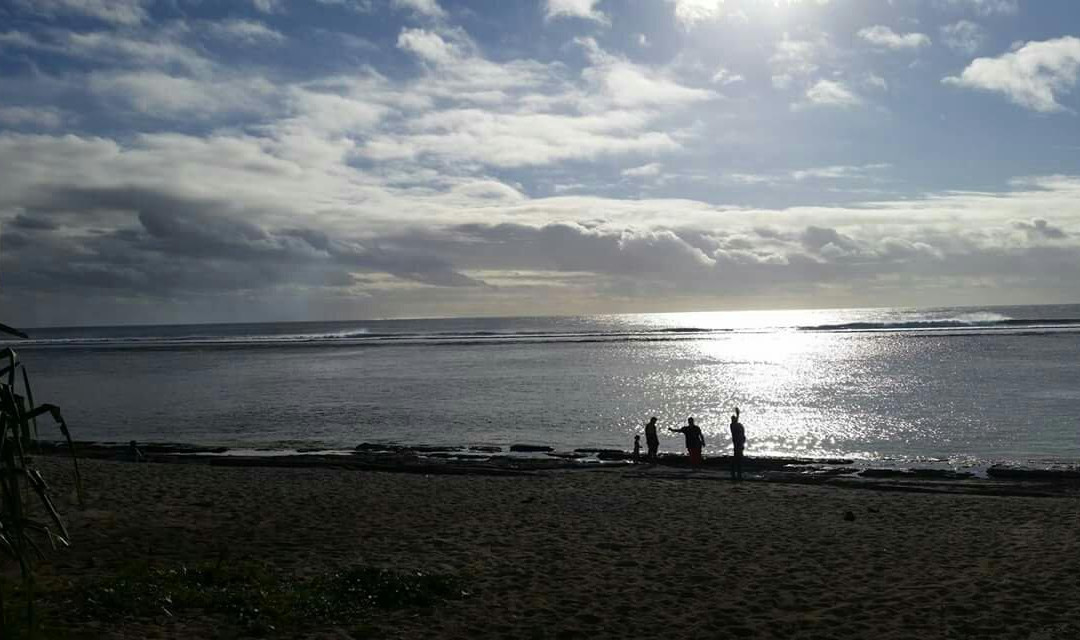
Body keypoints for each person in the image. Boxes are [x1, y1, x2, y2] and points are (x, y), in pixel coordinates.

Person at [730, 407, 746, 481]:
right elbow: (736, 422)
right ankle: (735, 473)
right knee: (737, 459)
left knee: (738, 459)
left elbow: (742, 435)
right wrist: (738, 414)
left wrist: (738, 414)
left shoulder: (737, 425)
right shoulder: (732, 426)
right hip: (737, 445)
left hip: (740, 444)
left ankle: (737, 474)